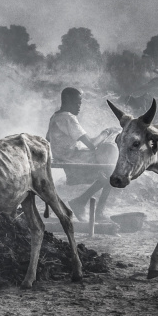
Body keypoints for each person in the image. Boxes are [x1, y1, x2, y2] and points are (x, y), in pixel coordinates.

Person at [46, 87, 118, 219]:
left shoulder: (55, 116)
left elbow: (48, 138)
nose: (79, 106)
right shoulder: (68, 118)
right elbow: (91, 144)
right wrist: (106, 132)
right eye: (77, 103)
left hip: (65, 155)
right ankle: (96, 211)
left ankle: (81, 202)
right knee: (111, 171)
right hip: (72, 158)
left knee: (107, 175)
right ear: (67, 101)